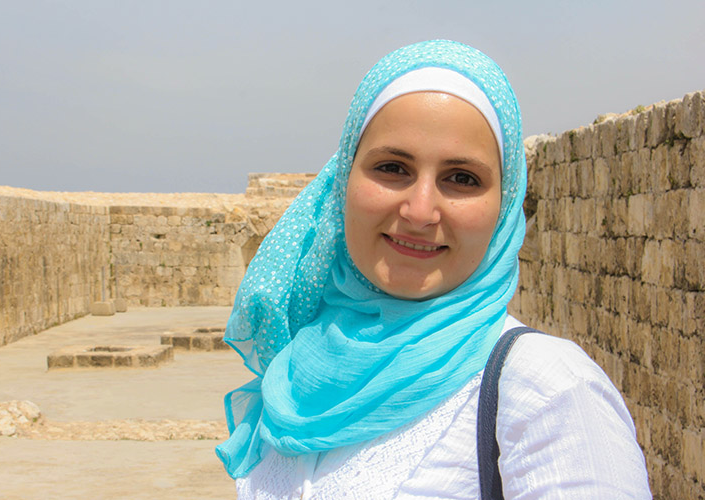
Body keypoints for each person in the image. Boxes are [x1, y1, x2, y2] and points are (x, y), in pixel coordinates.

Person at [216, 40, 651, 499]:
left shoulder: (549, 393)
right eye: (392, 167)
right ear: (344, 179)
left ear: (504, 206)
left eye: (462, 178)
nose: (420, 211)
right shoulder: (299, 371)